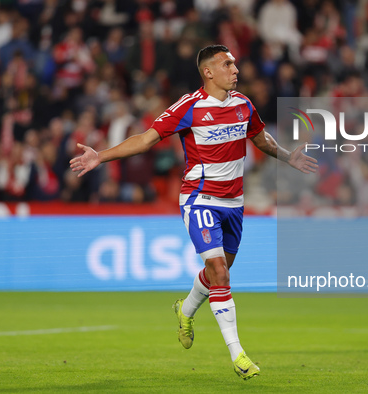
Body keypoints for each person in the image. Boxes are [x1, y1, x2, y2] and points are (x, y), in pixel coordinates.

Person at [70, 44, 318, 379]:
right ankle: (239, 355)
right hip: (200, 199)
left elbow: (260, 140)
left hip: (234, 203)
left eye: (235, 64)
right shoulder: (189, 106)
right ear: (208, 72)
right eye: (227, 64)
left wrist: (288, 157)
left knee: (220, 272)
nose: (236, 70)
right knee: (219, 271)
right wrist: (101, 155)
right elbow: (146, 139)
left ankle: (185, 310)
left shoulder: (244, 105)